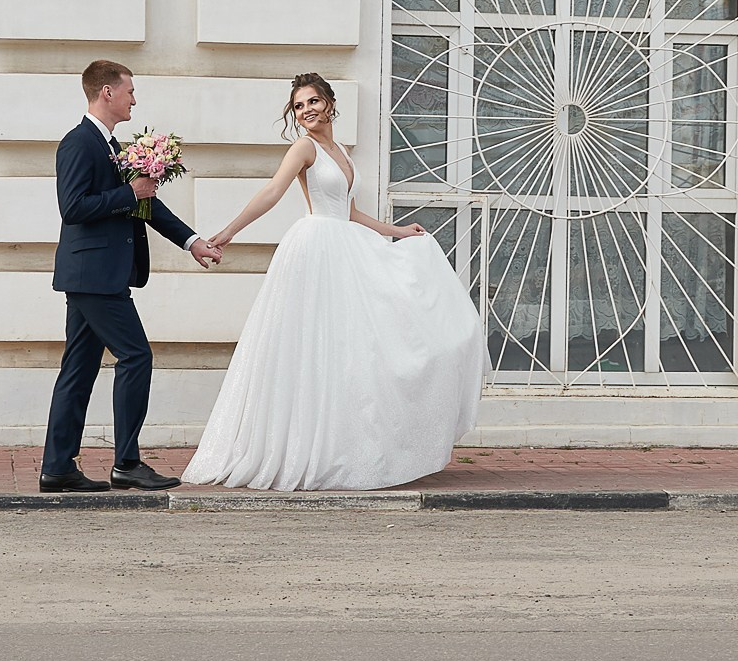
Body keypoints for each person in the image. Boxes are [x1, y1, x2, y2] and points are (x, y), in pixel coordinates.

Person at [182, 73, 484, 491]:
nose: (305, 110)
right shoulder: (303, 148)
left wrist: (398, 231)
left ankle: (348, 443)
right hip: (315, 248)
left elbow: (351, 212)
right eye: (299, 105)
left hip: (347, 245)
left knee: (355, 349)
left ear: (329, 103)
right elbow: (273, 191)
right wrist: (230, 232)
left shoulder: (340, 150)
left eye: (312, 101)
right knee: (312, 347)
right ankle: (303, 446)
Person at [39, 60, 222, 494]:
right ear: (106, 92)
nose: (134, 100)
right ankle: (127, 463)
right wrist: (129, 191)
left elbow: (147, 206)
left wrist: (192, 240)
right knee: (136, 356)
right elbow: (74, 207)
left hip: (98, 276)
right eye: (130, 91)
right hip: (93, 275)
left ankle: (58, 469)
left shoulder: (113, 147)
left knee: (78, 371)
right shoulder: (78, 143)